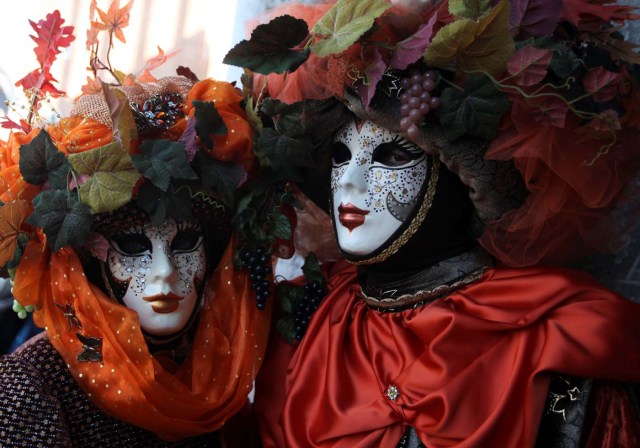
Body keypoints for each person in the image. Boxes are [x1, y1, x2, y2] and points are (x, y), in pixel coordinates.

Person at [224, 0, 640, 446]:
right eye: (341, 158)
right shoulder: (304, 318)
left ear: (460, 182)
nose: (350, 185)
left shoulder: (554, 332)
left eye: (393, 157)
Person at [0, 72, 272, 446]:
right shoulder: (36, 385)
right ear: (90, 261)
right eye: (132, 247)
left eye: (186, 244)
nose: (166, 272)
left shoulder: (216, 368)